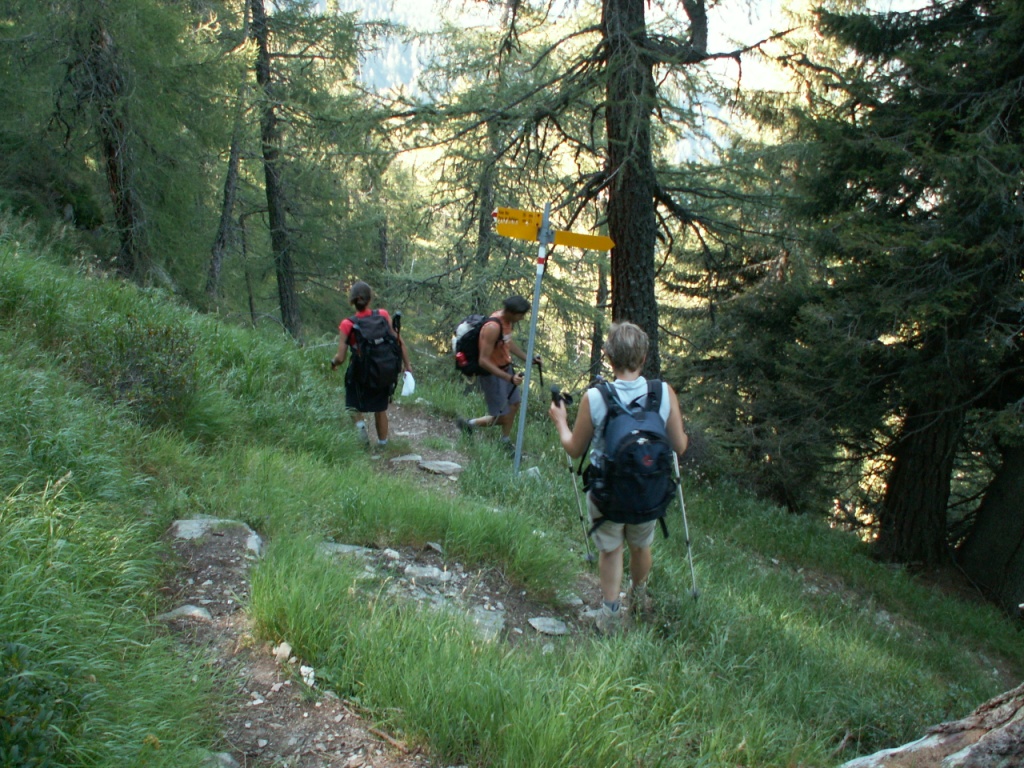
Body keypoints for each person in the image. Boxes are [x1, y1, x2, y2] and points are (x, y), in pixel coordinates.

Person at [548, 322, 688, 635]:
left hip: (607, 493)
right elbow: (679, 446)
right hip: (647, 490)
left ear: (609, 358)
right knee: (641, 545)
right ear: (644, 357)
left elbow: (574, 449)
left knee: (611, 549)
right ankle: (639, 597)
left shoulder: (596, 397)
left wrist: (561, 421)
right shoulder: (663, 393)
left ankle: (610, 612)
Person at [331, 281, 411, 448]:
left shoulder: (348, 324)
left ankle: (361, 432)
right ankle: (383, 444)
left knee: (352, 405)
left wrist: (334, 363)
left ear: (352, 301)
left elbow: (341, 357)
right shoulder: (382, 315)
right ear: (369, 299)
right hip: (383, 370)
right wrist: (407, 366)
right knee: (380, 408)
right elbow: (399, 341)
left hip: (361, 372)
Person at [456, 295, 539, 453]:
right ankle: (469, 424)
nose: (522, 318)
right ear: (512, 312)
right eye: (521, 315)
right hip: (492, 375)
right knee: (502, 416)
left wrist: (529, 359)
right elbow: (483, 361)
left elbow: (508, 342)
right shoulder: (493, 327)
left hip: (506, 368)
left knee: (514, 405)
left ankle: (505, 440)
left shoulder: (507, 323)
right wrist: (509, 378)